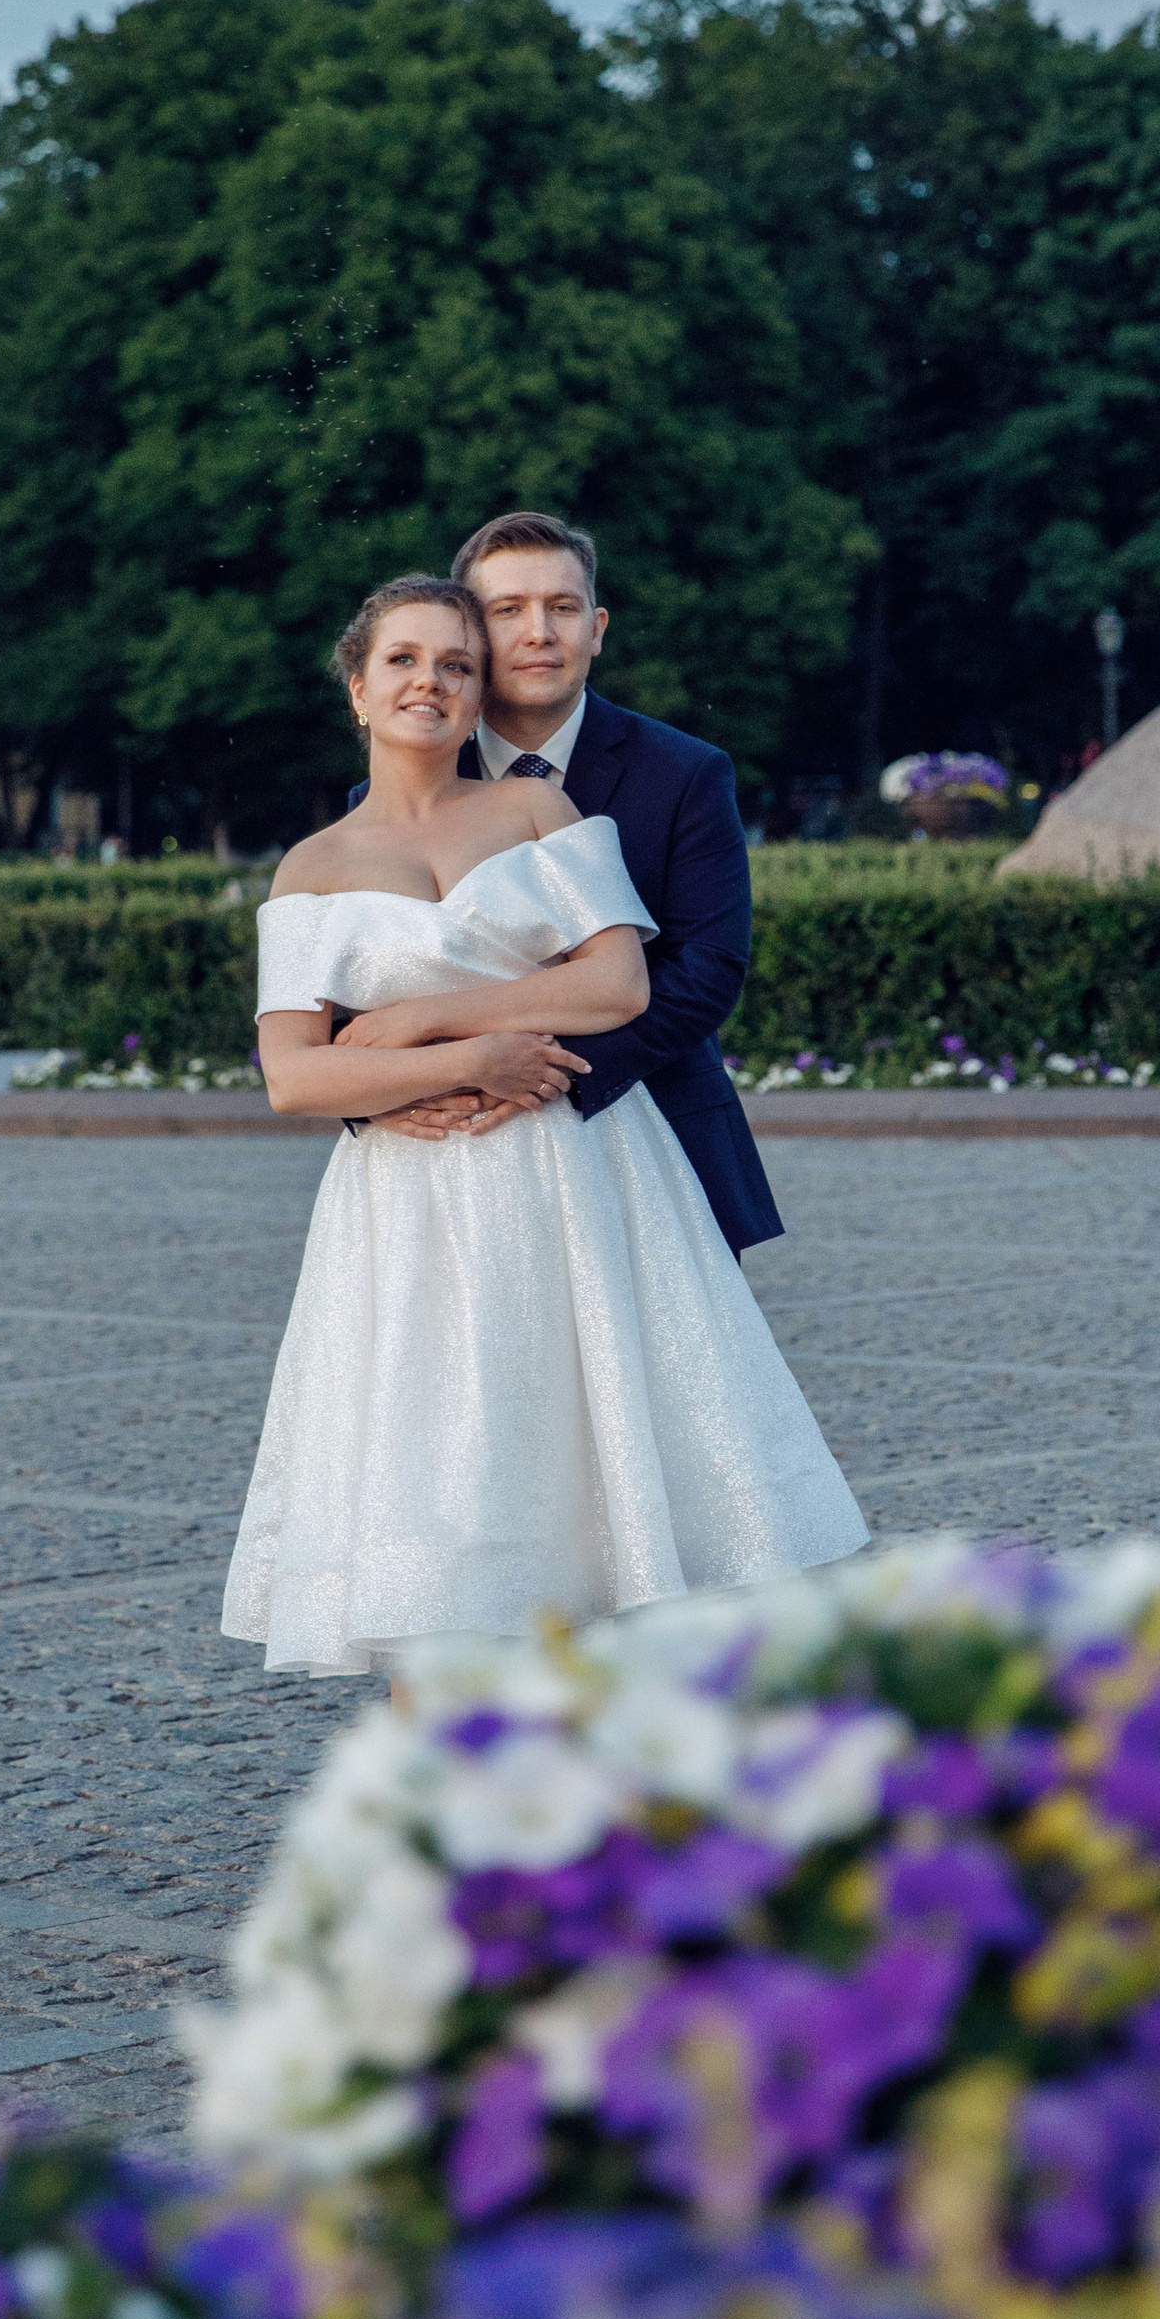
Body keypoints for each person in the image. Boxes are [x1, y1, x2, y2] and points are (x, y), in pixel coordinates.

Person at [221, 572, 866, 1674]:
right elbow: (291, 1076)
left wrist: (421, 1022)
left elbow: (616, 987)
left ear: (479, 697)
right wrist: (475, 1059)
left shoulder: (536, 811)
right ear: (358, 688)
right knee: (432, 1482)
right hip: (409, 1205)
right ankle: (441, 1804)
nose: (431, 681)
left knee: (596, 1462)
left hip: (578, 1178)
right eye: (406, 661)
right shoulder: (313, 869)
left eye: (457, 666)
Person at [358, 509, 786, 1258]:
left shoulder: (685, 773)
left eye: (562, 607)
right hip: (448, 1157)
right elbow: (351, 981)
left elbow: (708, 970)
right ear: (470, 636)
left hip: (651, 1131)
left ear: (598, 627)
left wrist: (547, 1077)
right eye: (507, 610)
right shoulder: (393, 790)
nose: (540, 632)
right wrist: (380, 1095)